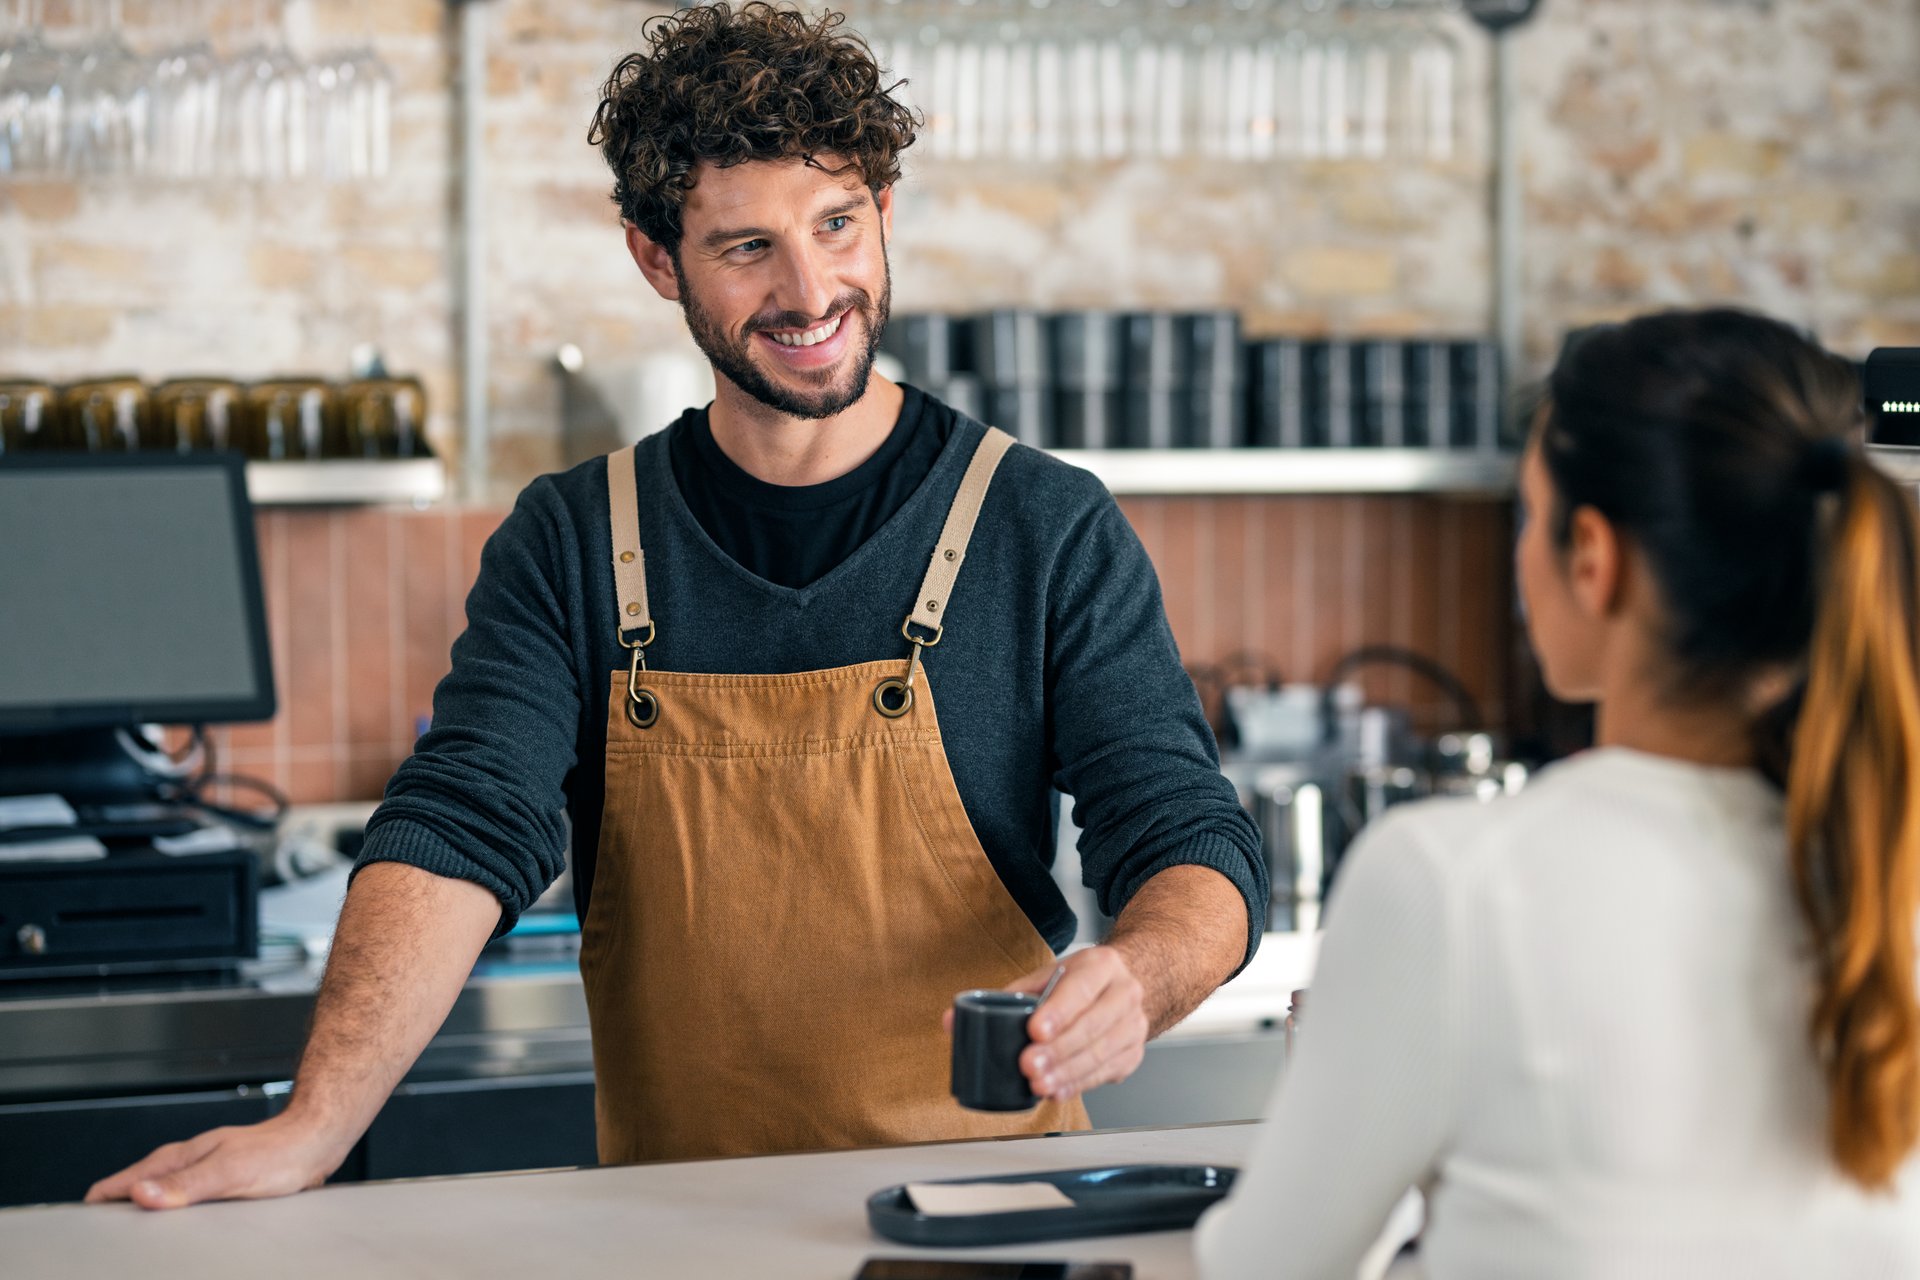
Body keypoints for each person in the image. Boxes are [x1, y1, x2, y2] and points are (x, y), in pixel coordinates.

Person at [86, 2, 1265, 1210]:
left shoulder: (1043, 524)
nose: (813, 290)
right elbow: (461, 824)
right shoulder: (574, 538)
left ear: (885, 214)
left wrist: (1137, 970)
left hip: (985, 1217)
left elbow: (1191, 838)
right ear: (660, 260)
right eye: (747, 247)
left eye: (837, 223)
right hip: (673, 1224)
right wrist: (313, 1125)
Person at [1196, 308, 1920, 1278]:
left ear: (1593, 555)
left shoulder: (1448, 880)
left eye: (1527, 514)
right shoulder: (1890, 866)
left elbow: (1265, 1268)